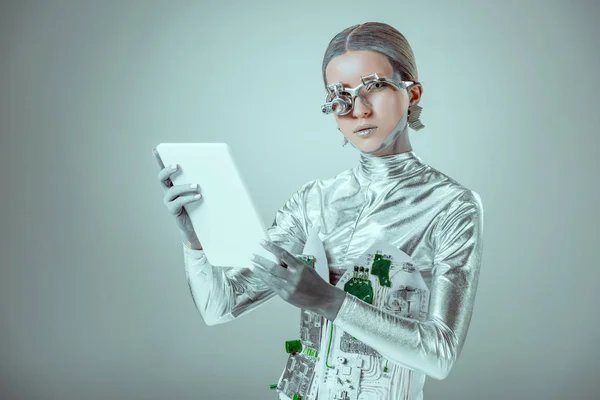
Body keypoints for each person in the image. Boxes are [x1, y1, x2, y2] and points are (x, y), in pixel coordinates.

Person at [156, 22, 484, 400]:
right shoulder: (314, 200)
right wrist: (197, 238)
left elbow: (439, 354)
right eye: (340, 95)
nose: (358, 110)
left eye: (374, 87)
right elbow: (221, 306)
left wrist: (327, 299)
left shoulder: (451, 206)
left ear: (412, 93)